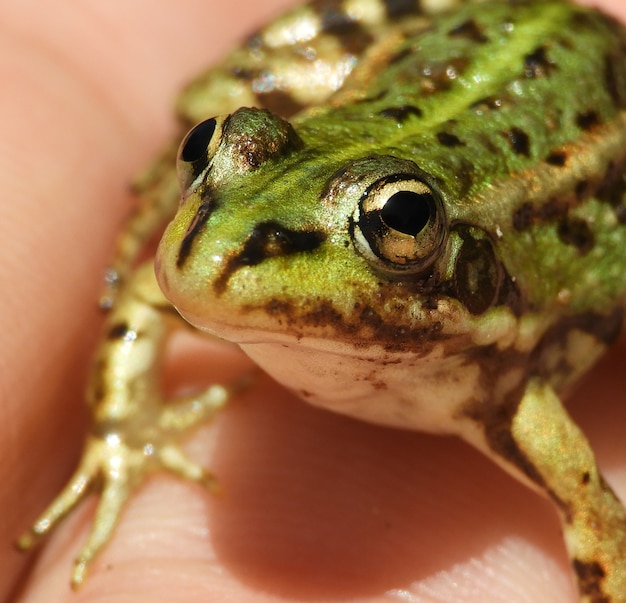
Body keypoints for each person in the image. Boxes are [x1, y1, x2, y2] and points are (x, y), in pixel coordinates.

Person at [3, 1, 625, 601]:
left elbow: (599, 523)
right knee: (217, 94)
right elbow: (145, 296)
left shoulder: (511, 401)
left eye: (397, 223)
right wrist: (123, 431)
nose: (219, 256)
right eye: (201, 159)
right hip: (458, 33)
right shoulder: (224, 251)